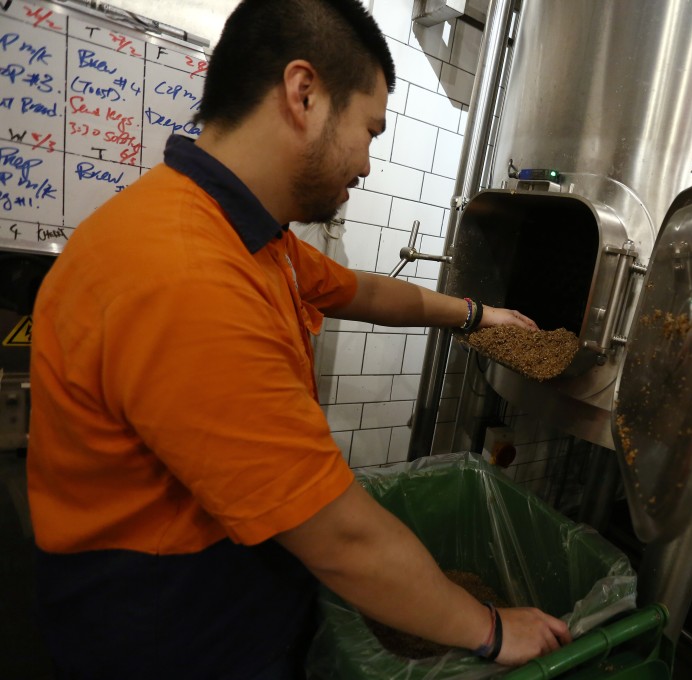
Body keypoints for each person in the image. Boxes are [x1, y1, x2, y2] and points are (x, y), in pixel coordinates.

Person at [26, 0, 571, 678]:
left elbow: (364, 291)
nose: (366, 164)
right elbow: (339, 537)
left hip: (224, 588)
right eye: (369, 130)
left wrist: (475, 314)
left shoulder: (247, 235)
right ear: (304, 94)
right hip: (166, 625)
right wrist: (490, 628)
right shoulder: (187, 274)